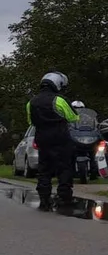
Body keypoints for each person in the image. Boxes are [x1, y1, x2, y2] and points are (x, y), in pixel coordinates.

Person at [25, 72, 79, 210]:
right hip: (60, 138)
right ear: (57, 84)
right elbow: (73, 117)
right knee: (64, 168)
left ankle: (44, 199)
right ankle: (64, 197)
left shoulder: (31, 102)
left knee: (44, 169)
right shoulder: (59, 100)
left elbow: (31, 121)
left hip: (42, 139)